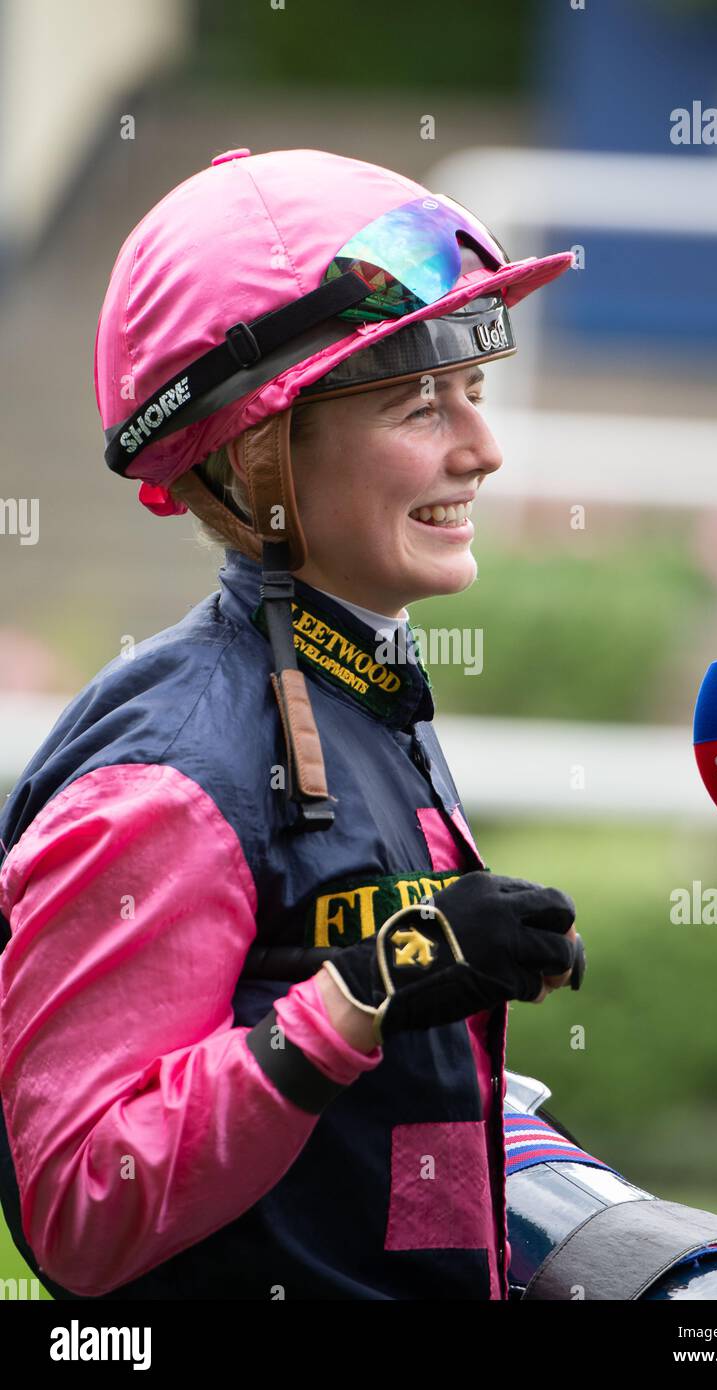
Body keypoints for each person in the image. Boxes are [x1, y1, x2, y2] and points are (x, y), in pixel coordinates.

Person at [0, 148, 581, 1300]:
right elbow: (78, 1207)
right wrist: (359, 997)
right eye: (422, 405)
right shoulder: (168, 772)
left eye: (476, 392)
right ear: (265, 460)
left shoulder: (359, 689)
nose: (483, 448)